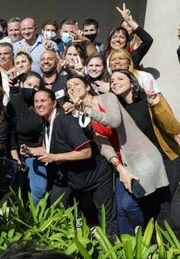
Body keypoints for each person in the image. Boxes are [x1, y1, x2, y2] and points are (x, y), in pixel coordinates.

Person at [65, 75, 169, 234]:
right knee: (120, 210)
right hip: (121, 164)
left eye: (76, 83)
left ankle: (147, 240)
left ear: (87, 87)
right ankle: (132, 248)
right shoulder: (81, 116)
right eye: (68, 86)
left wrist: (86, 110)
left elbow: (114, 121)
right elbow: (103, 145)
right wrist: (120, 169)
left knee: (130, 205)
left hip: (140, 156)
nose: (72, 88)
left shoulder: (107, 98)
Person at [30, 89, 117, 235]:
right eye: (36, 101)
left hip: (97, 176)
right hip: (70, 178)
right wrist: (31, 151)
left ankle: (112, 249)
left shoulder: (66, 121)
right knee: (57, 207)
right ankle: (64, 243)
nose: (39, 104)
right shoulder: (46, 122)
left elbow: (86, 152)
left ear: (54, 103)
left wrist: (55, 157)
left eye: (43, 100)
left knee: (106, 217)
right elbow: (49, 146)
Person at [111, 70, 180, 229]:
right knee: (150, 206)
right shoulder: (118, 109)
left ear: (132, 81)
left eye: (120, 78)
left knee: (164, 205)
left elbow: (174, 127)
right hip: (144, 163)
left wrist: (157, 105)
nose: (115, 82)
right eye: (112, 80)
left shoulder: (147, 99)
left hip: (167, 158)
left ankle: (168, 249)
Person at [7, 72, 46, 204]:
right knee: (16, 190)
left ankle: (33, 218)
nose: (32, 89)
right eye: (29, 85)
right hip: (16, 152)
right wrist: (16, 158)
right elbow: (10, 133)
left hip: (36, 152)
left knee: (40, 189)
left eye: (36, 87)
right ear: (22, 84)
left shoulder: (41, 104)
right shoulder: (14, 102)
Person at [103, 4, 153, 68]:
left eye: (122, 37)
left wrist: (129, 21)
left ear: (127, 41)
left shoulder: (131, 57)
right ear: (109, 40)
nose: (117, 40)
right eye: (114, 37)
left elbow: (148, 40)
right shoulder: (102, 57)